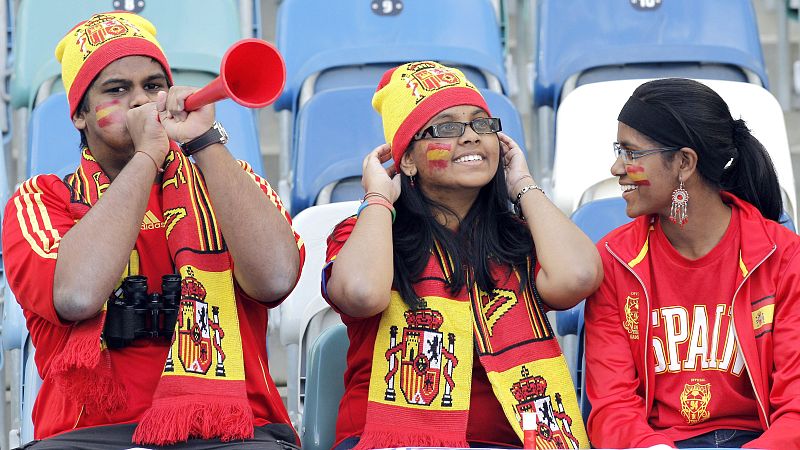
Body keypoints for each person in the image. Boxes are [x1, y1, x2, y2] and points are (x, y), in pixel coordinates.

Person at [2, 12, 305, 449]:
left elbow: (276, 278)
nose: (143, 101)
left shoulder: (230, 179)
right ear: (80, 116)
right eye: (117, 90)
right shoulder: (41, 199)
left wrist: (205, 142)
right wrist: (147, 156)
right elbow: (76, 295)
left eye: (154, 85)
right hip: (90, 435)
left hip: (236, 429)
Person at [322, 61, 603, 450]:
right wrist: (376, 198)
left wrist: (522, 183)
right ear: (406, 159)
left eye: (481, 124)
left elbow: (578, 277)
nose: (471, 137)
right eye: (447, 128)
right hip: (391, 441)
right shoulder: (366, 233)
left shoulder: (520, 239)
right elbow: (361, 293)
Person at [584, 78, 800, 449]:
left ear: (684, 162)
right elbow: (611, 405)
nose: (617, 167)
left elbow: (796, 407)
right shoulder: (615, 261)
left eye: (632, 153)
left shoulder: (782, 257)